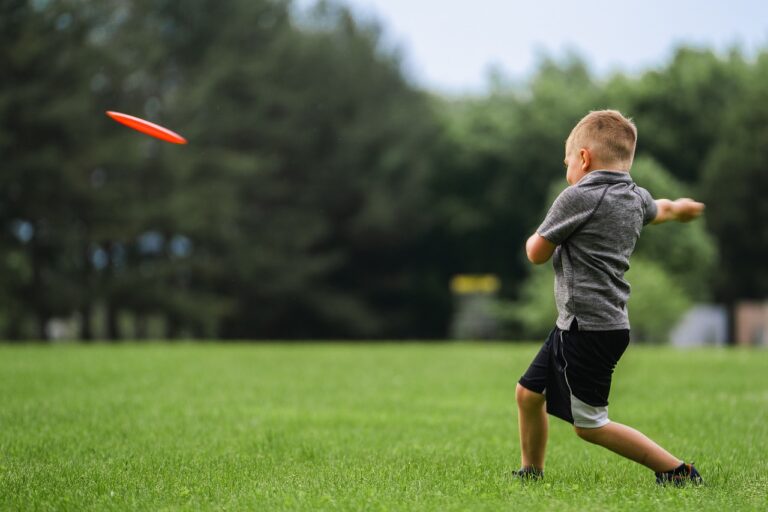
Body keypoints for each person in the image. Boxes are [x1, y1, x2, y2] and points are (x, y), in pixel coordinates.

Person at [515, 110, 705, 485]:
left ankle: (677, 471)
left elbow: (536, 253)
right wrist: (681, 208)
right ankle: (530, 472)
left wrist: (534, 237)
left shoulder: (579, 195)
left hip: (586, 328)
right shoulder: (634, 196)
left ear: (583, 158)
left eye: (568, 160)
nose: (567, 167)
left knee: (590, 425)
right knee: (528, 393)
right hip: (589, 323)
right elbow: (662, 209)